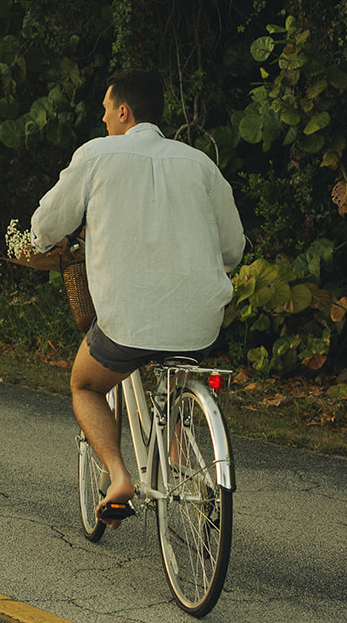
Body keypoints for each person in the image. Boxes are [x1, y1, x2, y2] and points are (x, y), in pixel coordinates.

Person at [29, 69, 244, 528]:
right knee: (179, 365)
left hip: (127, 322)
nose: (103, 118)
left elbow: (46, 226)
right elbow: (233, 250)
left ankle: (120, 478)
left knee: (84, 386)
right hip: (200, 320)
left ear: (124, 111)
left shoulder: (97, 155)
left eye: (106, 110)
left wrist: (49, 242)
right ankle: (181, 457)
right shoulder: (200, 164)